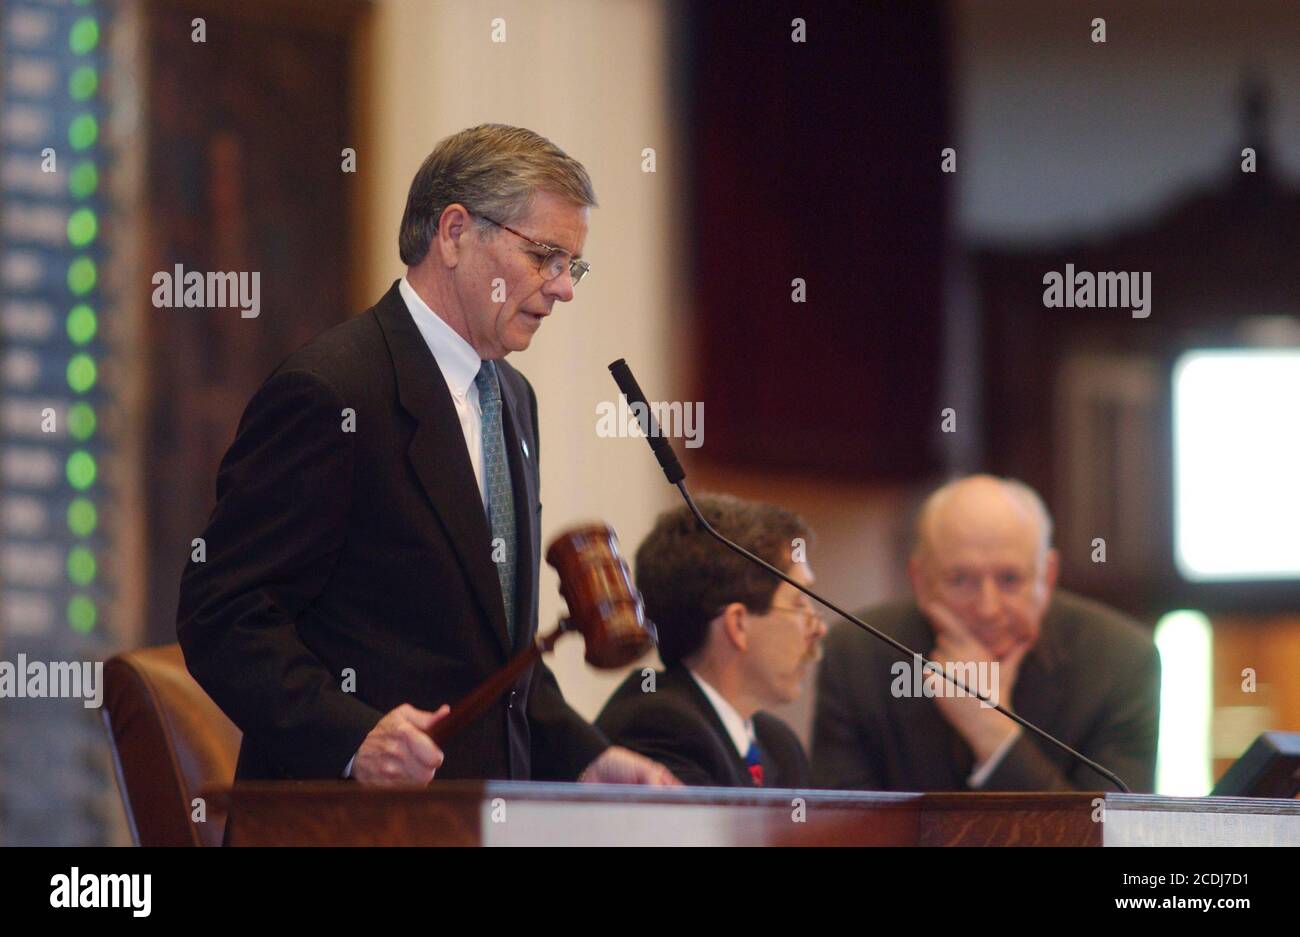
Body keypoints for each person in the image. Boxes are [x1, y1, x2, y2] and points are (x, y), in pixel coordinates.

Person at [177, 124, 675, 787]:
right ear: (454, 233)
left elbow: (493, 652)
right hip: (345, 825)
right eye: (547, 256)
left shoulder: (512, 399)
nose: (564, 289)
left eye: (571, 265)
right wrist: (353, 737)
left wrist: (588, 757)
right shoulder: (333, 390)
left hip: (479, 816)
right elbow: (223, 613)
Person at [812, 475, 1160, 792]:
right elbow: (839, 832)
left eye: (1010, 580)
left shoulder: (1121, 660)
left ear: (1048, 577)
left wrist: (993, 733)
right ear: (919, 580)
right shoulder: (855, 654)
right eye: (961, 580)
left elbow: (1112, 839)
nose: (988, 609)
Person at [597, 495, 825, 787]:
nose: (819, 629)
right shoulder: (659, 726)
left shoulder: (778, 745)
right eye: (799, 603)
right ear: (738, 624)